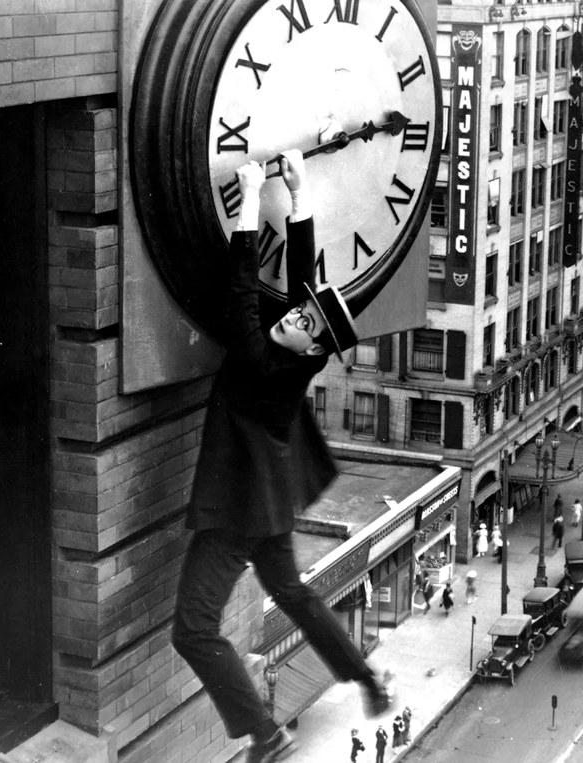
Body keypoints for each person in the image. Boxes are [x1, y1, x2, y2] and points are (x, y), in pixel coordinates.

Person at [171, 153, 393, 763]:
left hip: (239, 511)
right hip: (267, 501)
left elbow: (243, 294)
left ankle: (265, 736)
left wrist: (247, 200)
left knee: (193, 629)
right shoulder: (296, 353)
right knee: (292, 592)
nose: (291, 315)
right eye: (297, 312)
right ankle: (367, 680)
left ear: (311, 345)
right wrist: (300, 198)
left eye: (301, 322)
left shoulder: (265, 363)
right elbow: (303, 290)